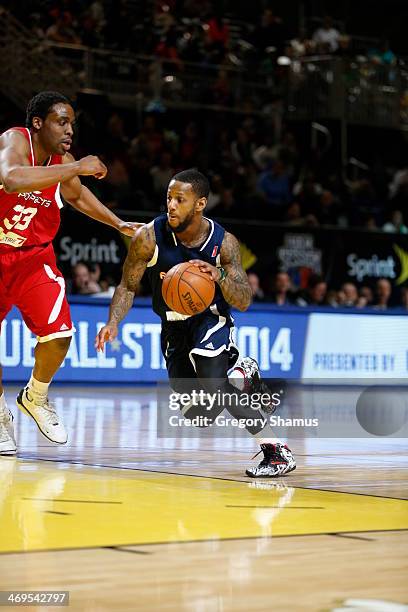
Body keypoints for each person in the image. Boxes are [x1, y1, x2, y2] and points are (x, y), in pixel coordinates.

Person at [95, 169, 296, 478]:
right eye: (168, 199)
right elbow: (127, 286)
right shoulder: (148, 238)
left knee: (214, 384)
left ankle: (275, 451)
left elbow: (243, 300)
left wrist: (221, 276)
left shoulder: (224, 243)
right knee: (199, 415)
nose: (171, 206)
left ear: (200, 203)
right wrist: (113, 321)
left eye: (180, 200)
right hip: (172, 326)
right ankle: (243, 372)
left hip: (209, 318)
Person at [0, 91, 141, 456]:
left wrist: (118, 223)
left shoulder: (64, 162)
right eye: (61, 122)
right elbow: (12, 178)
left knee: (60, 335)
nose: (69, 130)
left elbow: (76, 196)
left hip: (32, 257)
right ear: (37, 123)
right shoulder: (15, 141)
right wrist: (75, 167)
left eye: (72, 124)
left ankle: (36, 395)